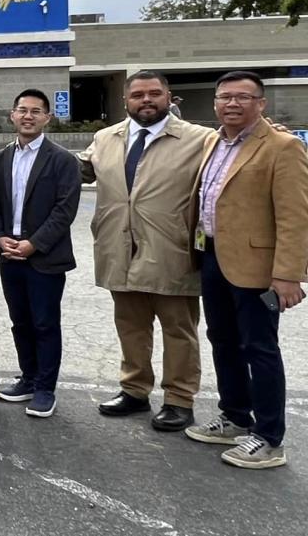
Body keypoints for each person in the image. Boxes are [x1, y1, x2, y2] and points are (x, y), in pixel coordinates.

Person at [184, 71, 308, 469]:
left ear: (261, 103)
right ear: (215, 102)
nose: (232, 104)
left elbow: (295, 216)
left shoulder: (283, 146)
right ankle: (236, 416)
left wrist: (288, 273)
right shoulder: (214, 141)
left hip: (257, 266)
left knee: (260, 348)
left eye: (243, 97)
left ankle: (269, 438)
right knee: (223, 340)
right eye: (225, 97)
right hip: (213, 256)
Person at [78, 70, 212, 431]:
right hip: (119, 249)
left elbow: (236, 159)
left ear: (169, 97)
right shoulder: (105, 138)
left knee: (178, 329)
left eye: (154, 93)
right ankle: (135, 389)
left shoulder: (200, 139)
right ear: (126, 100)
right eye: (138, 95)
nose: (146, 100)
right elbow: (76, 171)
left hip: (172, 251)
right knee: (131, 326)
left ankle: (179, 399)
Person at [0, 90, 81, 417]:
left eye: (36, 111)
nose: (28, 116)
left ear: (47, 118)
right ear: (12, 115)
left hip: (45, 257)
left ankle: (44, 388)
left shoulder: (63, 160)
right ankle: (28, 378)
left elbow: (64, 210)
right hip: (9, 253)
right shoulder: (1, 158)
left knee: (45, 323)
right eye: (22, 110)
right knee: (20, 321)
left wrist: (34, 244)